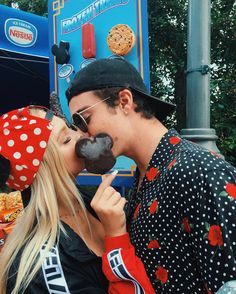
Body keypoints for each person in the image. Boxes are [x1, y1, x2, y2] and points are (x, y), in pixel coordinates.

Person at [66, 57, 236, 293]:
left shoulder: (199, 171)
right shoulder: (143, 176)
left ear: (124, 101)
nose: (84, 135)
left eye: (84, 119)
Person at [0, 105, 155, 294]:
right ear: (43, 171)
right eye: (66, 139)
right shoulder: (44, 267)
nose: (81, 135)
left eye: (71, 128)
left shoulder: (86, 201)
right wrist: (116, 236)